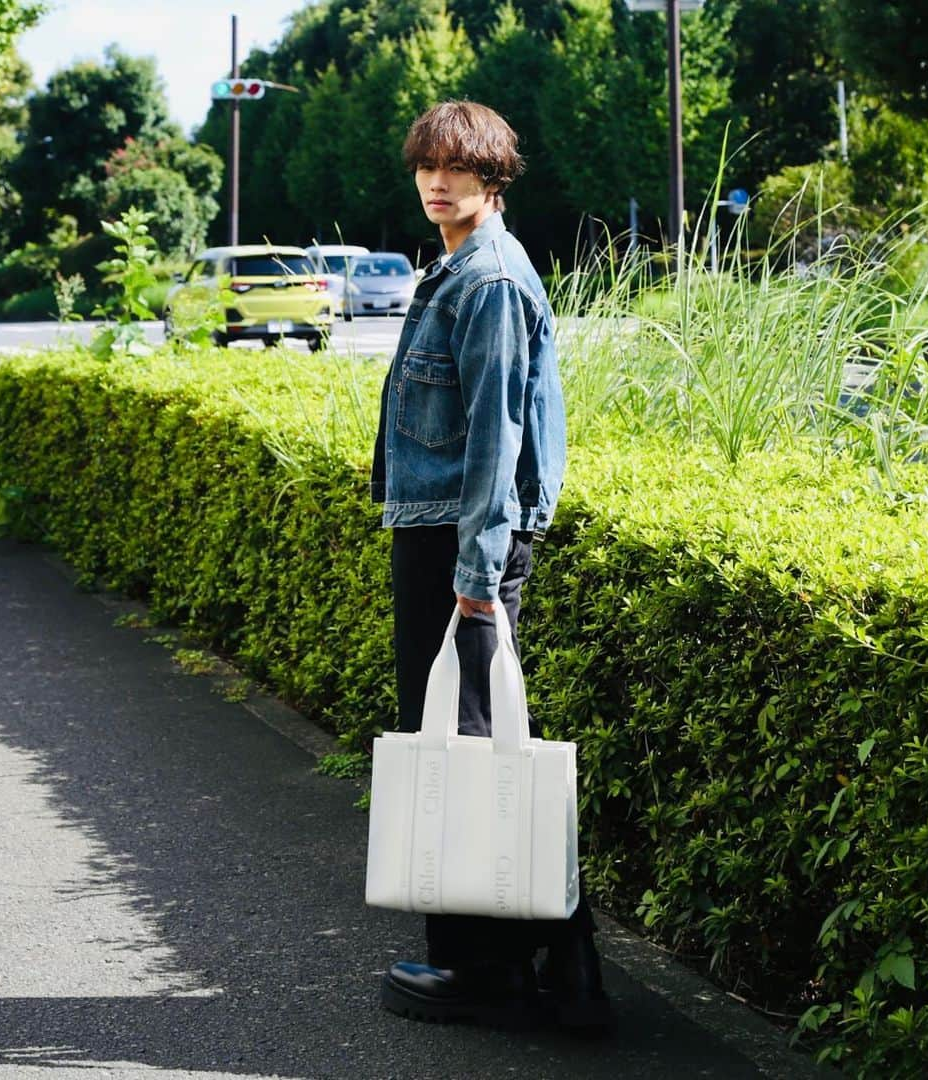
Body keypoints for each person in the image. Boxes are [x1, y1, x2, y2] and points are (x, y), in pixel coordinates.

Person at [370, 100, 613, 1034]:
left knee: (469, 752)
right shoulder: (459, 266)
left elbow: (492, 446)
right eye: (427, 166)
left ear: (493, 177)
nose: (438, 182)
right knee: (471, 744)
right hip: (444, 533)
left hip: (463, 543)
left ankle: (497, 971)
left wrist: (476, 579)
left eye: (458, 169)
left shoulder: (492, 281)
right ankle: (549, 968)